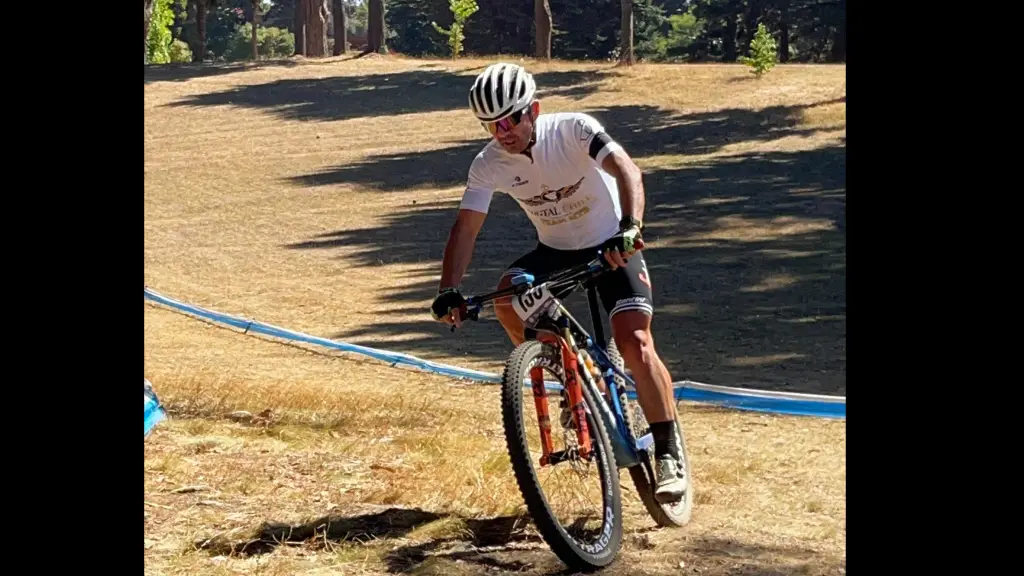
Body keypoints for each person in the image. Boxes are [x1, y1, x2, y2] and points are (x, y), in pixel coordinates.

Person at [429, 62, 686, 503]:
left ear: (535, 110)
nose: (501, 132)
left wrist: (630, 227)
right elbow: (466, 228)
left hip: (611, 243)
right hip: (556, 250)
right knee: (508, 297)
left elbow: (628, 171)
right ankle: (569, 375)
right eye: (490, 125)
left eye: (509, 119)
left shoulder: (573, 130)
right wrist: (448, 288)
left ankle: (667, 450)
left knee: (636, 343)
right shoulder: (488, 164)